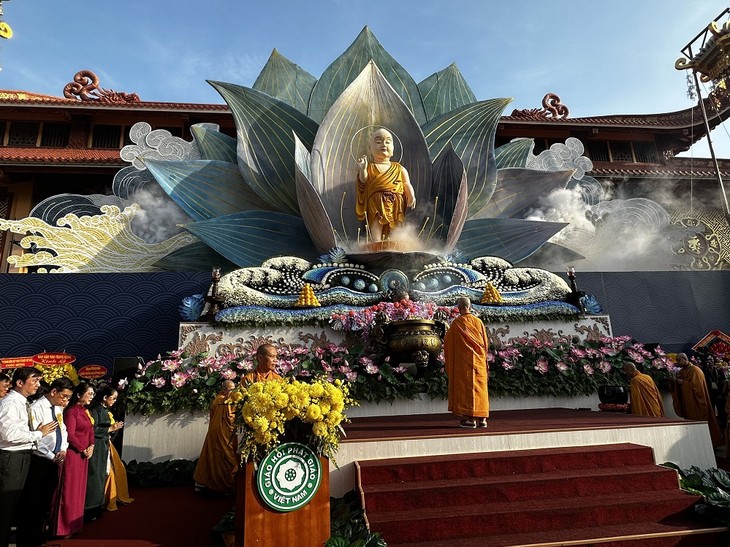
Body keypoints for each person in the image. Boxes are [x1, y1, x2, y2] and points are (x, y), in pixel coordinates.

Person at [0, 367, 57, 547]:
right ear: (19, 383)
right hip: (11, 458)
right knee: (5, 508)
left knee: (14, 507)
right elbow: (8, 434)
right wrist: (37, 434)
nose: (38, 385)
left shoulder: (22, 402)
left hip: (22, 456)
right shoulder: (10, 403)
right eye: (35, 381)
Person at [16, 377, 73, 547]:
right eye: (64, 396)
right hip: (39, 460)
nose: (66, 401)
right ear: (54, 391)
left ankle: (39, 538)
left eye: (69, 397)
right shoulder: (36, 408)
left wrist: (63, 448)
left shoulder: (57, 408)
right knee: (33, 504)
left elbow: (62, 430)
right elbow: (35, 438)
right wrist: (50, 455)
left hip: (54, 459)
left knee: (45, 502)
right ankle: (28, 540)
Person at [355, 127, 416, 242]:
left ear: (393, 148)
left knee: (395, 224)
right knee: (377, 222)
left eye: (388, 142)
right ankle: (376, 242)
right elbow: (363, 181)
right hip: (376, 203)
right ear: (370, 148)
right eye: (378, 142)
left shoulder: (399, 168)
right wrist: (362, 169)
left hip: (396, 203)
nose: (383, 144)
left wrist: (411, 195)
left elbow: (406, 183)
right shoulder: (370, 168)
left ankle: (395, 241)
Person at [55, 382, 95, 538]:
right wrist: (83, 448)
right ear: (79, 395)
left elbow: (91, 430)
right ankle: (63, 527)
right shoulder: (71, 412)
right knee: (69, 491)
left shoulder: (85, 411)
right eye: (89, 393)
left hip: (84, 455)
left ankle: (75, 524)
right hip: (73, 455)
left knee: (79, 491)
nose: (92, 396)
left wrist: (91, 445)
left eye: (93, 394)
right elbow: (70, 435)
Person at [443, 297, 490, 428]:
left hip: (464, 362)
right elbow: (485, 343)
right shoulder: (478, 321)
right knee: (479, 388)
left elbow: (448, 343)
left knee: (467, 388)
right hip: (479, 361)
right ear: (470, 306)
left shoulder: (457, 323)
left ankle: (471, 419)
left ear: (458, 308)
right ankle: (482, 419)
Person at [193, 379, 238, 495]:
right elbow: (227, 415)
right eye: (230, 390)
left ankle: (225, 485)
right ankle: (218, 486)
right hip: (218, 433)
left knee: (228, 458)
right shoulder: (219, 400)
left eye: (234, 389)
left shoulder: (232, 399)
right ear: (223, 390)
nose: (232, 392)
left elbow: (233, 417)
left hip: (228, 433)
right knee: (218, 457)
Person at [669, 353, 724, 448]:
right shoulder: (683, 371)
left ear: (685, 359)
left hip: (697, 403)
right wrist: (674, 381)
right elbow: (679, 384)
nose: (678, 363)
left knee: (700, 424)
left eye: (679, 360)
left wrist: (683, 383)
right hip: (688, 404)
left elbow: (697, 388)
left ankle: (707, 444)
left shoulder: (696, 370)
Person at [85, 386, 124, 520]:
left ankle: (98, 506)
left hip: (104, 445)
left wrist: (113, 429)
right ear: (104, 397)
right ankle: (89, 509)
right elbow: (92, 430)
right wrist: (110, 428)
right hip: (96, 446)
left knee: (102, 474)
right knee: (94, 475)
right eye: (113, 398)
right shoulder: (95, 410)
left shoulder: (105, 410)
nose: (114, 401)